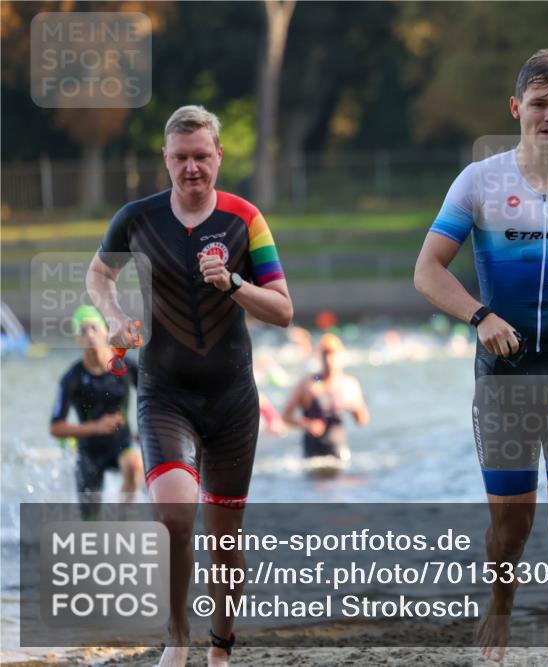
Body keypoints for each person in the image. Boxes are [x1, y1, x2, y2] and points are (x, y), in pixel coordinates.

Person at [414, 49, 548, 667]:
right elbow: (427, 271)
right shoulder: (480, 181)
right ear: (517, 109)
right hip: (505, 375)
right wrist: (479, 316)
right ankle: (502, 602)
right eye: (539, 104)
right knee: (509, 531)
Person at [86, 105, 293, 667]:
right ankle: (177, 640)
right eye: (181, 158)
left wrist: (233, 284)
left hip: (232, 399)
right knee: (175, 518)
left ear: (219, 155)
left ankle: (220, 647)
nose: (192, 168)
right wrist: (111, 316)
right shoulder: (136, 218)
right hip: (165, 392)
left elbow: (283, 310)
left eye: (202, 156)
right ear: (166, 159)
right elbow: (99, 273)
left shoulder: (246, 219)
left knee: (225, 541)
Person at [49, 305, 144, 518]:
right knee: (90, 521)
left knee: (134, 465)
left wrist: (146, 433)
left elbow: (153, 398)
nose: (90, 335)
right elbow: (56, 427)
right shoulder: (71, 378)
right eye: (83, 331)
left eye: (94, 328)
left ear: (105, 331)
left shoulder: (125, 367)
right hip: (89, 452)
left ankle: (124, 519)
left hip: (122, 444)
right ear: (77, 340)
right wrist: (97, 427)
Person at [282, 333, 369, 466]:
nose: (329, 360)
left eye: (333, 354)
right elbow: (286, 416)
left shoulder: (350, 384)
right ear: (319, 356)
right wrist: (307, 424)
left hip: (339, 453)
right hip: (313, 457)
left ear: (341, 356)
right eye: (325, 355)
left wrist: (355, 408)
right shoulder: (308, 384)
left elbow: (362, 421)